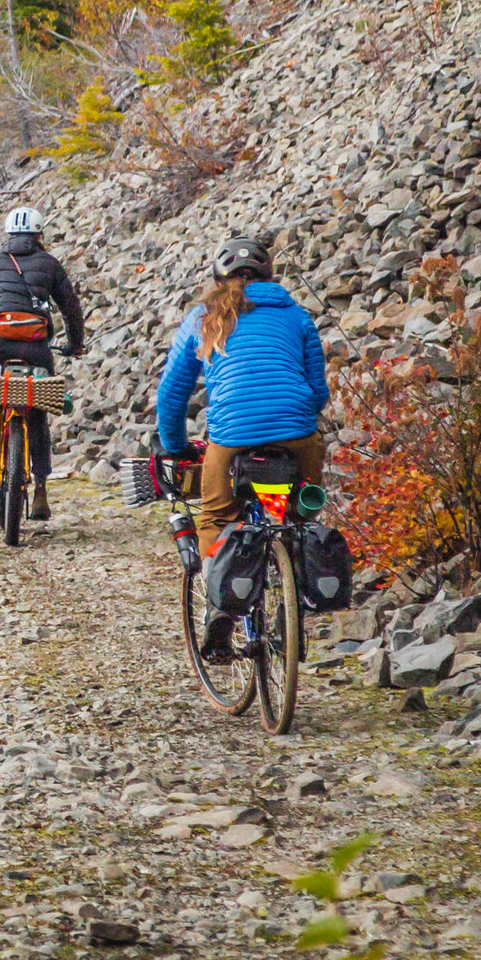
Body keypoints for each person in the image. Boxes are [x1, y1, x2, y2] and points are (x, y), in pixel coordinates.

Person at [155, 235, 330, 657]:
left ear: (218, 278)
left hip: (233, 437)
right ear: (269, 277)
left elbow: (172, 394)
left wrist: (176, 448)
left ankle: (221, 608)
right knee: (298, 514)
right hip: (298, 431)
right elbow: (319, 389)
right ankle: (295, 603)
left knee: (216, 515)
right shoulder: (297, 315)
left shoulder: (203, 316)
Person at [0, 206, 85, 522]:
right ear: (39, 235)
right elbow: (71, 309)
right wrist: (75, 345)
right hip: (37, 348)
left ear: (8, 234)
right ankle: (41, 493)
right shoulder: (50, 264)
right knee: (35, 411)